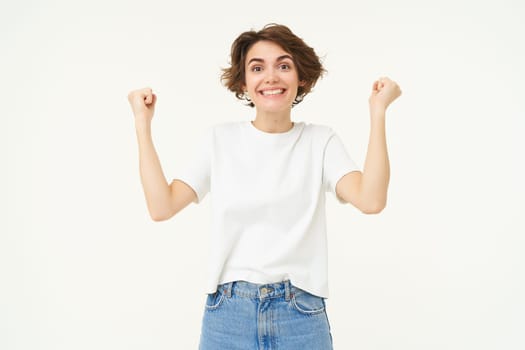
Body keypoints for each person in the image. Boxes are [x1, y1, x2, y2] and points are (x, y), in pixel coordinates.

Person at [127, 23, 401, 350]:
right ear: (244, 82)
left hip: (299, 313)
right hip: (228, 314)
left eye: (283, 66)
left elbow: (371, 200)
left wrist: (378, 111)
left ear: (301, 77)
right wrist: (142, 125)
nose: (271, 77)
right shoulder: (219, 140)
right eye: (257, 68)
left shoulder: (320, 141)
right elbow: (162, 206)